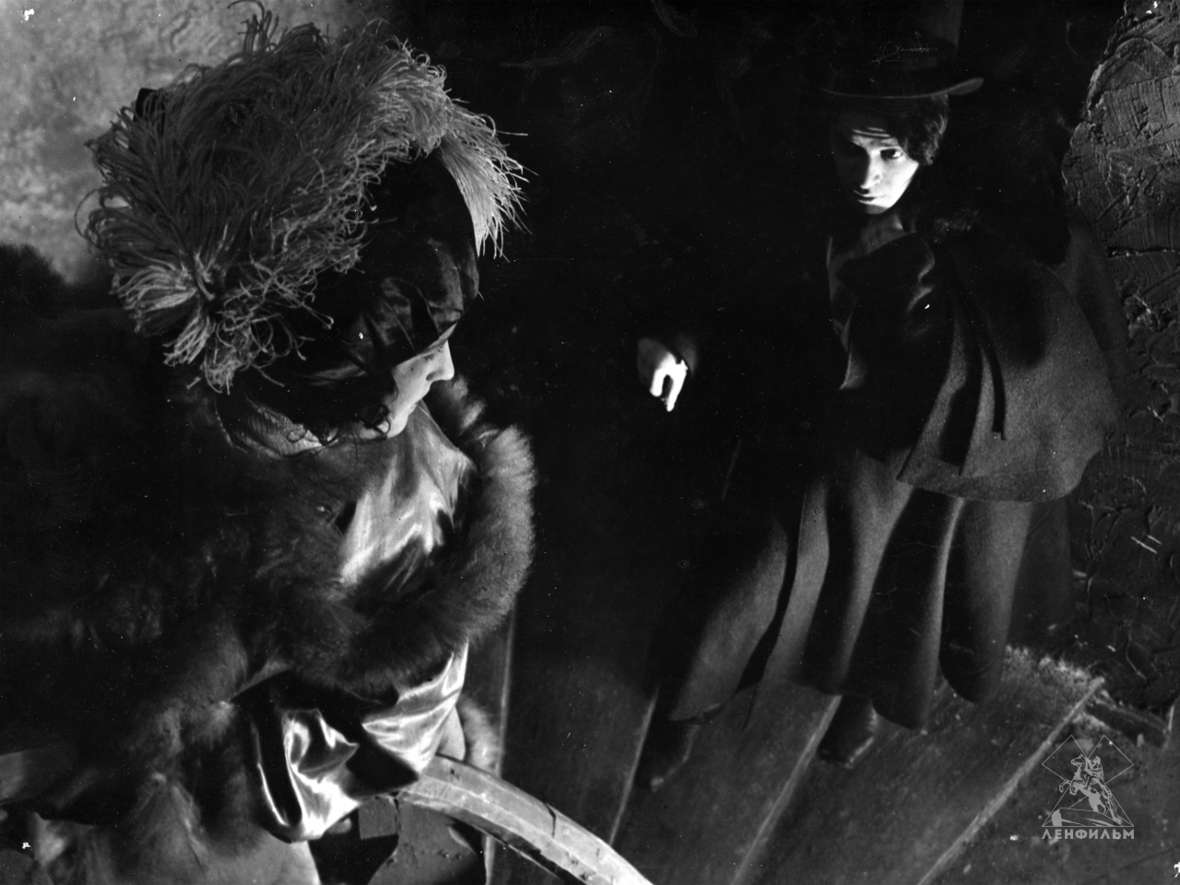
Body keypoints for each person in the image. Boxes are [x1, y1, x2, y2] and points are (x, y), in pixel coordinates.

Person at [0, 12, 531, 883]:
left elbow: (394, 732)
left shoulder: (414, 517)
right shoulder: (99, 388)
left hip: (195, 827)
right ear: (337, 368)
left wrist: (208, 755)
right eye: (423, 346)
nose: (445, 371)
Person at [633, 1, 1122, 789]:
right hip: (828, 441)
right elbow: (733, 277)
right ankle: (689, 707)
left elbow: (1047, 368)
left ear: (930, 141)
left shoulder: (986, 226)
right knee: (751, 582)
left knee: (906, 601)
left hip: (935, 463)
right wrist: (678, 342)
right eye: (849, 148)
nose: (865, 176)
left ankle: (864, 700)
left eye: (889, 153)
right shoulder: (804, 193)